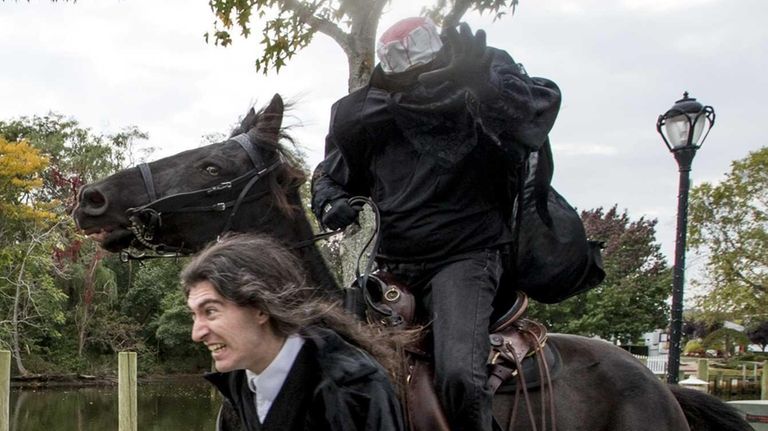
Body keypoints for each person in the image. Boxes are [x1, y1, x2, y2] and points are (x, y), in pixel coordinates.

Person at [311, 17, 561, 431]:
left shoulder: (479, 83)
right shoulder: (365, 114)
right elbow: (331, 174)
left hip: (465, 259)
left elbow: (528, 123)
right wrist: (331, 200)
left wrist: (485, 84)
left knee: (460, 375)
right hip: (391, 266)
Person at [182, 233, 406, 431]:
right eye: (194, 315)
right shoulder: (237, 384)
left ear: (261, 308)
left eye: (210, 311)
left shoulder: (351, 391)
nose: (197, 334)